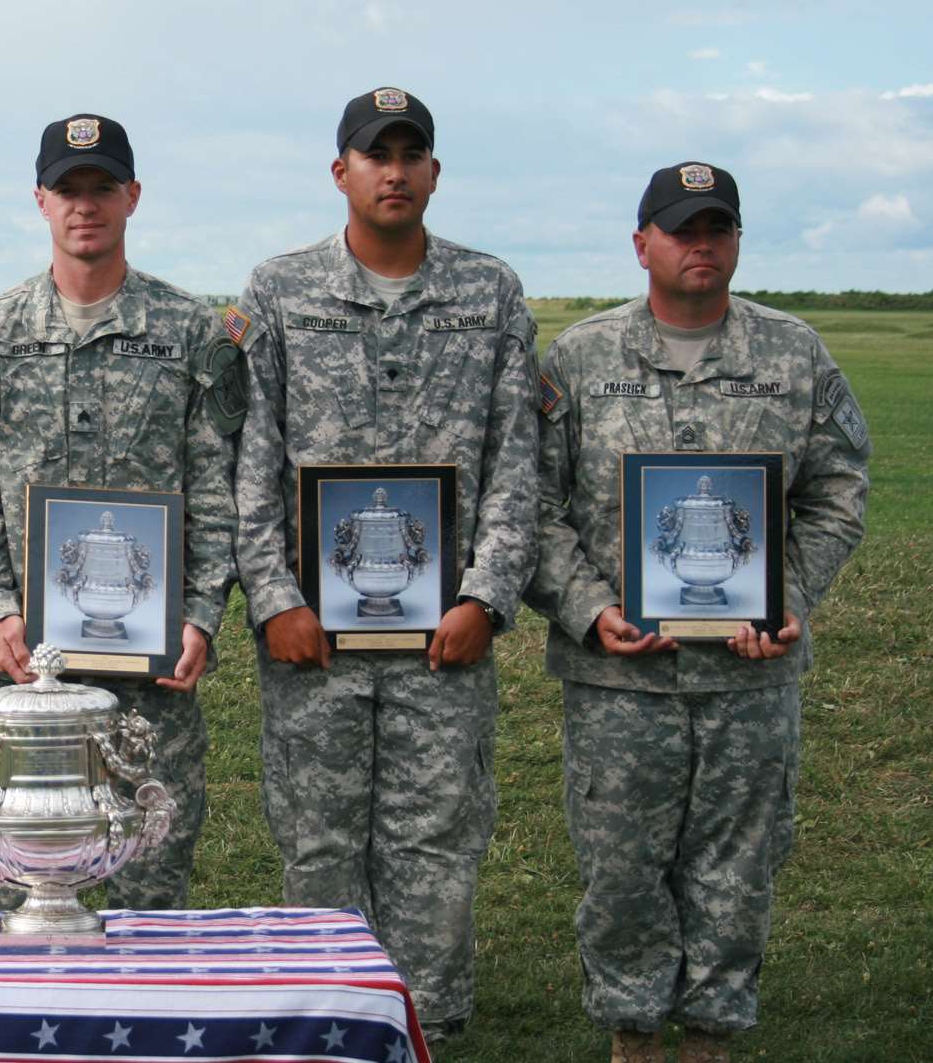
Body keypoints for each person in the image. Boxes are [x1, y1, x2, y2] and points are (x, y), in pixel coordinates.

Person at [524, 163, 869, 1063]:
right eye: (681, 228)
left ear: (739, 241)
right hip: (618, 677)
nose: (701, 244)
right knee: (621, 866)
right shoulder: (581, 358)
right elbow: (530, 506)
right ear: (643, 243)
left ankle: (712, 1034)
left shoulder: (794, 354)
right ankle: (633, 1035)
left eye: (718, 227)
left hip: (749, 675)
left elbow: (838, 493)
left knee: (739, 861)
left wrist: (791, 592)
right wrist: (589, 607)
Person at [230, 87, 537, 1037]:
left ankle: (427, 1029)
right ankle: (331, 1027)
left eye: (411, 154)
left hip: (444, 637)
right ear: (342, 172)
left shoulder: (490, 294)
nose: (394, 170)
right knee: (318, 842)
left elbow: (516, 461)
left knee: (434, 843)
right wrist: (274, 597)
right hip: (312, 638)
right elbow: (249, 458)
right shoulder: (279, 292)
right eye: (375, 154)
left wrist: (486, 594)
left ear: (435, 172)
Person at [0, 113, 242, 911]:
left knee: (152, 891)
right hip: (29, 675)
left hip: (152, 683)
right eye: (67, 190)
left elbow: (217, 492)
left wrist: (202, 616)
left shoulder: (188, 334)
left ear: (132, 196)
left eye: (101, 188)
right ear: (39, 200)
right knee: (33, 886)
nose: (85, 206)